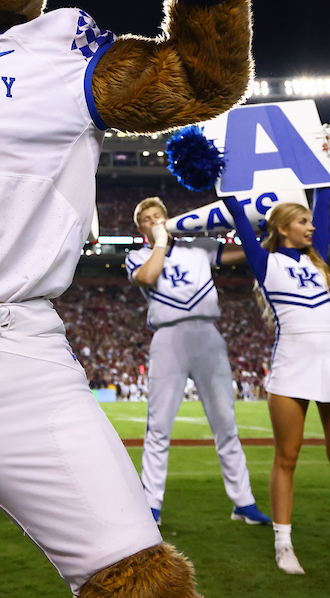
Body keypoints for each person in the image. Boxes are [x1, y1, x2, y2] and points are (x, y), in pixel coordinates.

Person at [224, 190, 330, 575]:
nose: (312, 226)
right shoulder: (265, 262)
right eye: (303, 221)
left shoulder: (319, 260)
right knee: (287, 457)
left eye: (311, 221)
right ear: (283, 229)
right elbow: (238, 218)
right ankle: (283, 545)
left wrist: (324, 175)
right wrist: (224, 179)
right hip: (291, 366)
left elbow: (324, 204)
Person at [124, 196, 269, 527]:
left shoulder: (198, 247)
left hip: (207, 333)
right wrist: (160, 243)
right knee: (159, 427)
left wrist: (260, 229)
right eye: (147, 218)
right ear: (141, 227)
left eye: (158, 214)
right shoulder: (137, 256)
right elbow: (147, 278)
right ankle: (151, 506)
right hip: (167, 338)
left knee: (226, 424)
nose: (154, 220)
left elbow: (246, 252)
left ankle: (243, 501)